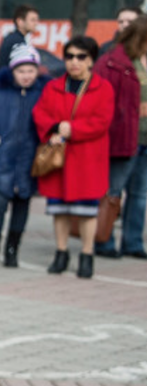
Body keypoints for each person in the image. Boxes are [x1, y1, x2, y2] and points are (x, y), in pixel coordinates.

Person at [34, 36, 115, 278]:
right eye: (69, 56)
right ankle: (61, 252)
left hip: (87, 159)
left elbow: (102, 121)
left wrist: (72, 129)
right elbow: (40, 113)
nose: (74, 62)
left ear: (91, 60)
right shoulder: (53, 86)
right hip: (59, 158)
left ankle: (87, 254)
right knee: (59, 209)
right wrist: (54, 128)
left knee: (87, 210)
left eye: (81, 57)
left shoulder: (103, 88)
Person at [0, 43, 50, 269]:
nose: (26, 76)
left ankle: (12, 250)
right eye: (21, 71)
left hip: (28, 159)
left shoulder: (42, 94)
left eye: (30, 71)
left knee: (22, 206)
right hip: (2, 160)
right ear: (12, 71)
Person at [92, 16, 147, 259]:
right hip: (123, 137)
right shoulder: (112, 62)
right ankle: (103, 241)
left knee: (140, 194)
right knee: (113, 191)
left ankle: (133, 243)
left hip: (145, 138)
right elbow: (99, 99)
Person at [0, 4, 39, 70]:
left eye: (37, 20)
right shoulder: (17, 42)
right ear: (20, 22)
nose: (36, 23)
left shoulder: (13, 38)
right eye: (32, 20)